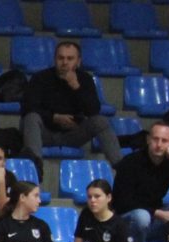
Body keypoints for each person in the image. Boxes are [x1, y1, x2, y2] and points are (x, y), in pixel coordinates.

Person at [20, 41, 122, 175]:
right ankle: (34, 169)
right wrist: (53, 117)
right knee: (31, 118)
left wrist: (76, 86)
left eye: (70, 58)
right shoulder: (40, 78)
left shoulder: (85, 79)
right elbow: (28, 107)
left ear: (78, 61)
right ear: (55, 59)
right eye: (61, 58)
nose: (65, 62)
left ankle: (121, 168)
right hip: (45, 132)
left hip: (73, 133)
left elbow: (93, 111)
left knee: (100, 121)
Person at [112, 121, 169, 242]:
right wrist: (157, 213)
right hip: (128, 220)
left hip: (154, 220)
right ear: (148, 140)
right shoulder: (130, 162)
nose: (159, 144)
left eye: (164, 141)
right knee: (142, 216)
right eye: (155, 139)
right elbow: (121, 202)